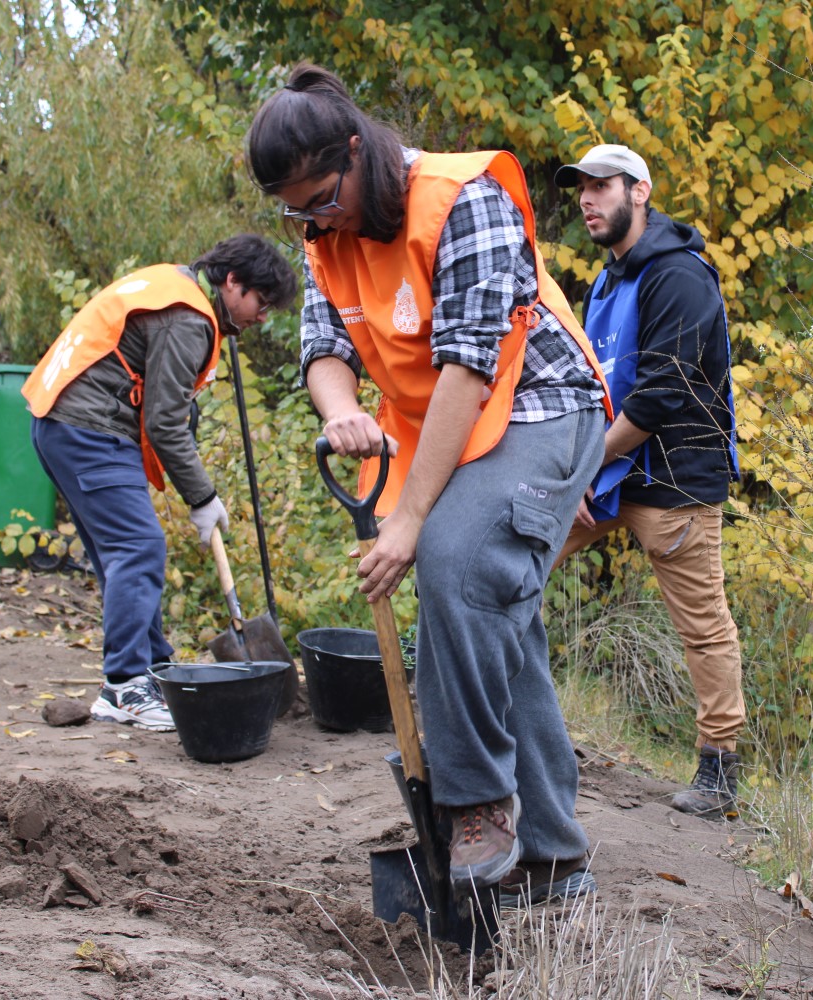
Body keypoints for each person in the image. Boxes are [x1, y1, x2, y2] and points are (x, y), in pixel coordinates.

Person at [247, 65, 613, 901]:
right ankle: (555, 854)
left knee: (454, 560)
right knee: (492, 616)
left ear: (354, 150)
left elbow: (468, 369)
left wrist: (408, 520)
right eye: (294, 211)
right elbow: (324, 349)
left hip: (541, 405)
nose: (312, 221)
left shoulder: (462, 196)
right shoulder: (324, 236)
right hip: (448, 429)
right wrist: (342, 412)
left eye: (320, 198)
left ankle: (479, 800)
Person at [21, 235, 297, 732]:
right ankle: (124, 687)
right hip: (88, 429)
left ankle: (154, 669)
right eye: (261, 302)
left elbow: (163, 406)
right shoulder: (189, 318)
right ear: (232, 283)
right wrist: (203, 496)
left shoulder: (178, 289)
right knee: (138, 546)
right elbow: (164, 424)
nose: (262, 317)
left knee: (124, 552)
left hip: (62, 422)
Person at [553, 144, 745, 820]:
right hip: (607, 471)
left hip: (674, 482)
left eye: (602, 186)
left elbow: (662, 395)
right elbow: (590, 384)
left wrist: (583, 467)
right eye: (581, 188)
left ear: (640, 192)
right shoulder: (608, 279)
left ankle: (719, 768)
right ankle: (518, 724)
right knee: (512, 561)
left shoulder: (678, 277)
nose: (587, 199)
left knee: (702, 626)